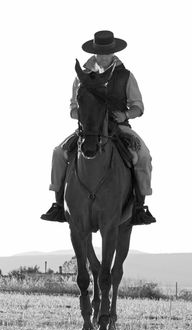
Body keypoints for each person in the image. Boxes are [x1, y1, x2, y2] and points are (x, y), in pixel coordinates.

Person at [41, 30, 155, 225]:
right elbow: (73, 108)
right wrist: (80, 114)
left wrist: (125, 114)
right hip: (89, 129)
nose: (103, 57)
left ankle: (139, 207)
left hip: (119, 126)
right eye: (99, 53)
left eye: (107, 53)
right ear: (94, 53)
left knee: (143, 155)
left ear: (113, 53)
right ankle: (58, 205)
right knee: (58, 153)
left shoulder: (126, 76)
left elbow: (138, 107)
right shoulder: (81, 77)